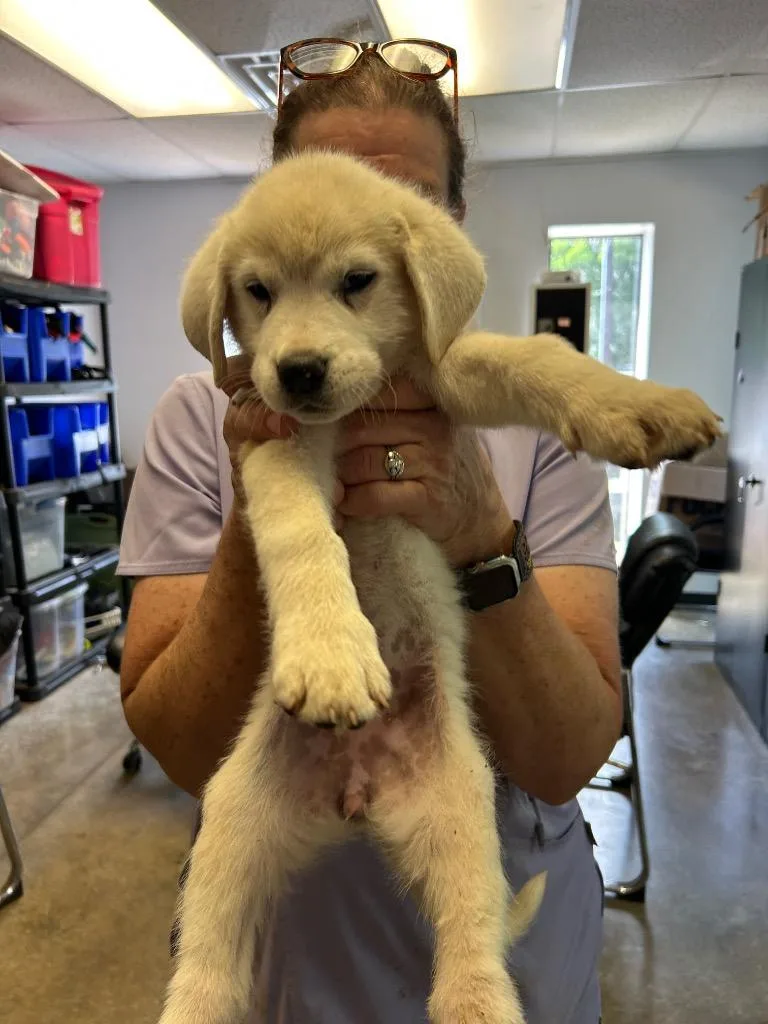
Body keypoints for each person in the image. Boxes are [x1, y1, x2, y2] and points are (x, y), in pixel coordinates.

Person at [118, 40, 621, 1024]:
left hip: (502, 904)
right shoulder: (194, 416)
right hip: (286, 961)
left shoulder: (532, 420)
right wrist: (264, 492)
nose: (307, 335)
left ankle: (474, 964)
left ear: (444, 240)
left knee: (462, 820)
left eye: (362, 269)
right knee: (230, 821)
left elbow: (569, 755)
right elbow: (176, 742)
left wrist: (478, 523)